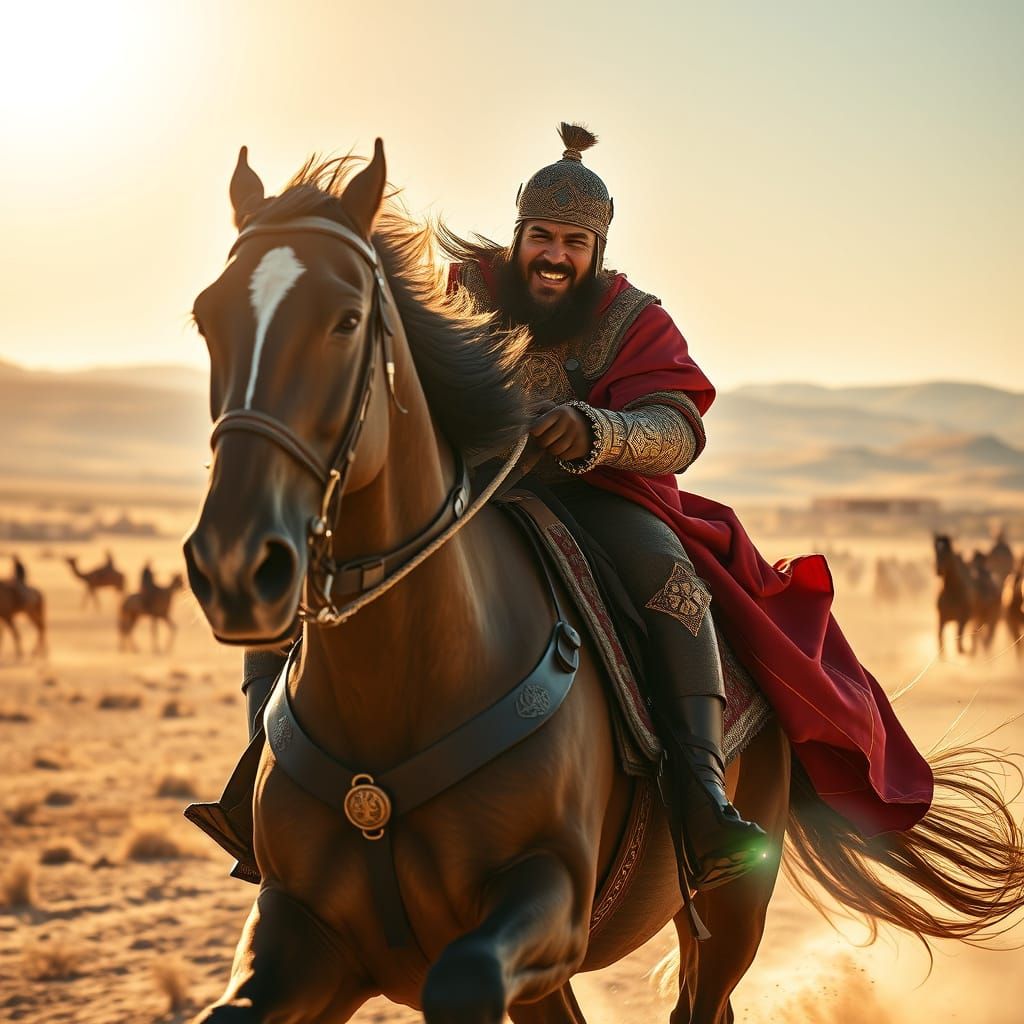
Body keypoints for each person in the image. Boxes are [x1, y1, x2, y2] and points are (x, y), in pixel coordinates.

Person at [193, 123, 934, 890]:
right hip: (469, 492)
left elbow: (677, 429)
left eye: (573, 242)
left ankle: (702, 793)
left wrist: (593, 429)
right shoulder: (461, 289)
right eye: (540, 236)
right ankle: (259, 788)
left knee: (670, 581)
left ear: (598, 250)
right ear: (518, 235)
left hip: (594, 495)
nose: (554, 255)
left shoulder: (635, 317)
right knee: (317, 578)